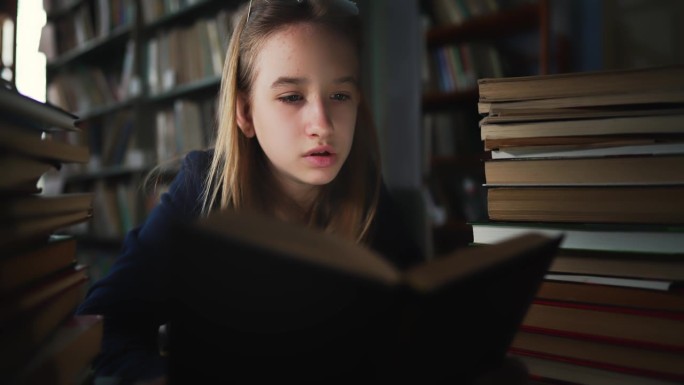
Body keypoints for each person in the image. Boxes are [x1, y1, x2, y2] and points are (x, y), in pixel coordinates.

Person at [76, 1, 527, 384]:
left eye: (340, 96)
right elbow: (101, 328)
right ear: (245, 113)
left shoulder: (366, 190)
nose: (323, 125)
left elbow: (416, 329)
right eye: (292, 97)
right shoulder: (203, 190)